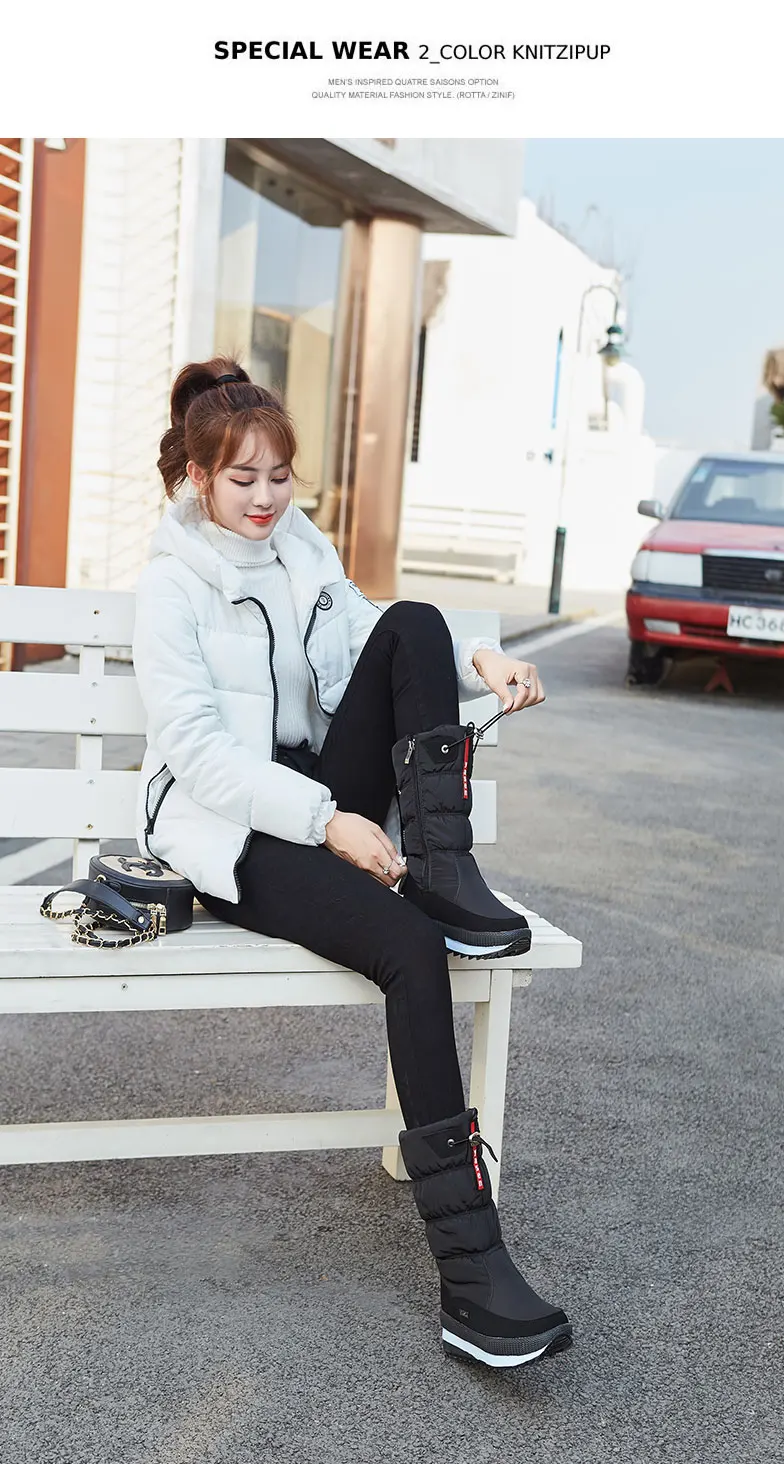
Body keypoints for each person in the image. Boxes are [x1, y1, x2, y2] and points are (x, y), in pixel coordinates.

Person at [132, 356, 572, 1369]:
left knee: (416, 621)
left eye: (279, 476)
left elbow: (374, 639)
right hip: (233, 828)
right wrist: (327, 821)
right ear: (198, 476)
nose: (264, 499)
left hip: (322, 792)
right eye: (242, 479)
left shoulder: (301, 546)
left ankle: (445, 875)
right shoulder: (171, 584)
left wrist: (481, 663)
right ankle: (473, 1275)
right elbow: (198, 755)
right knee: (409, 949)